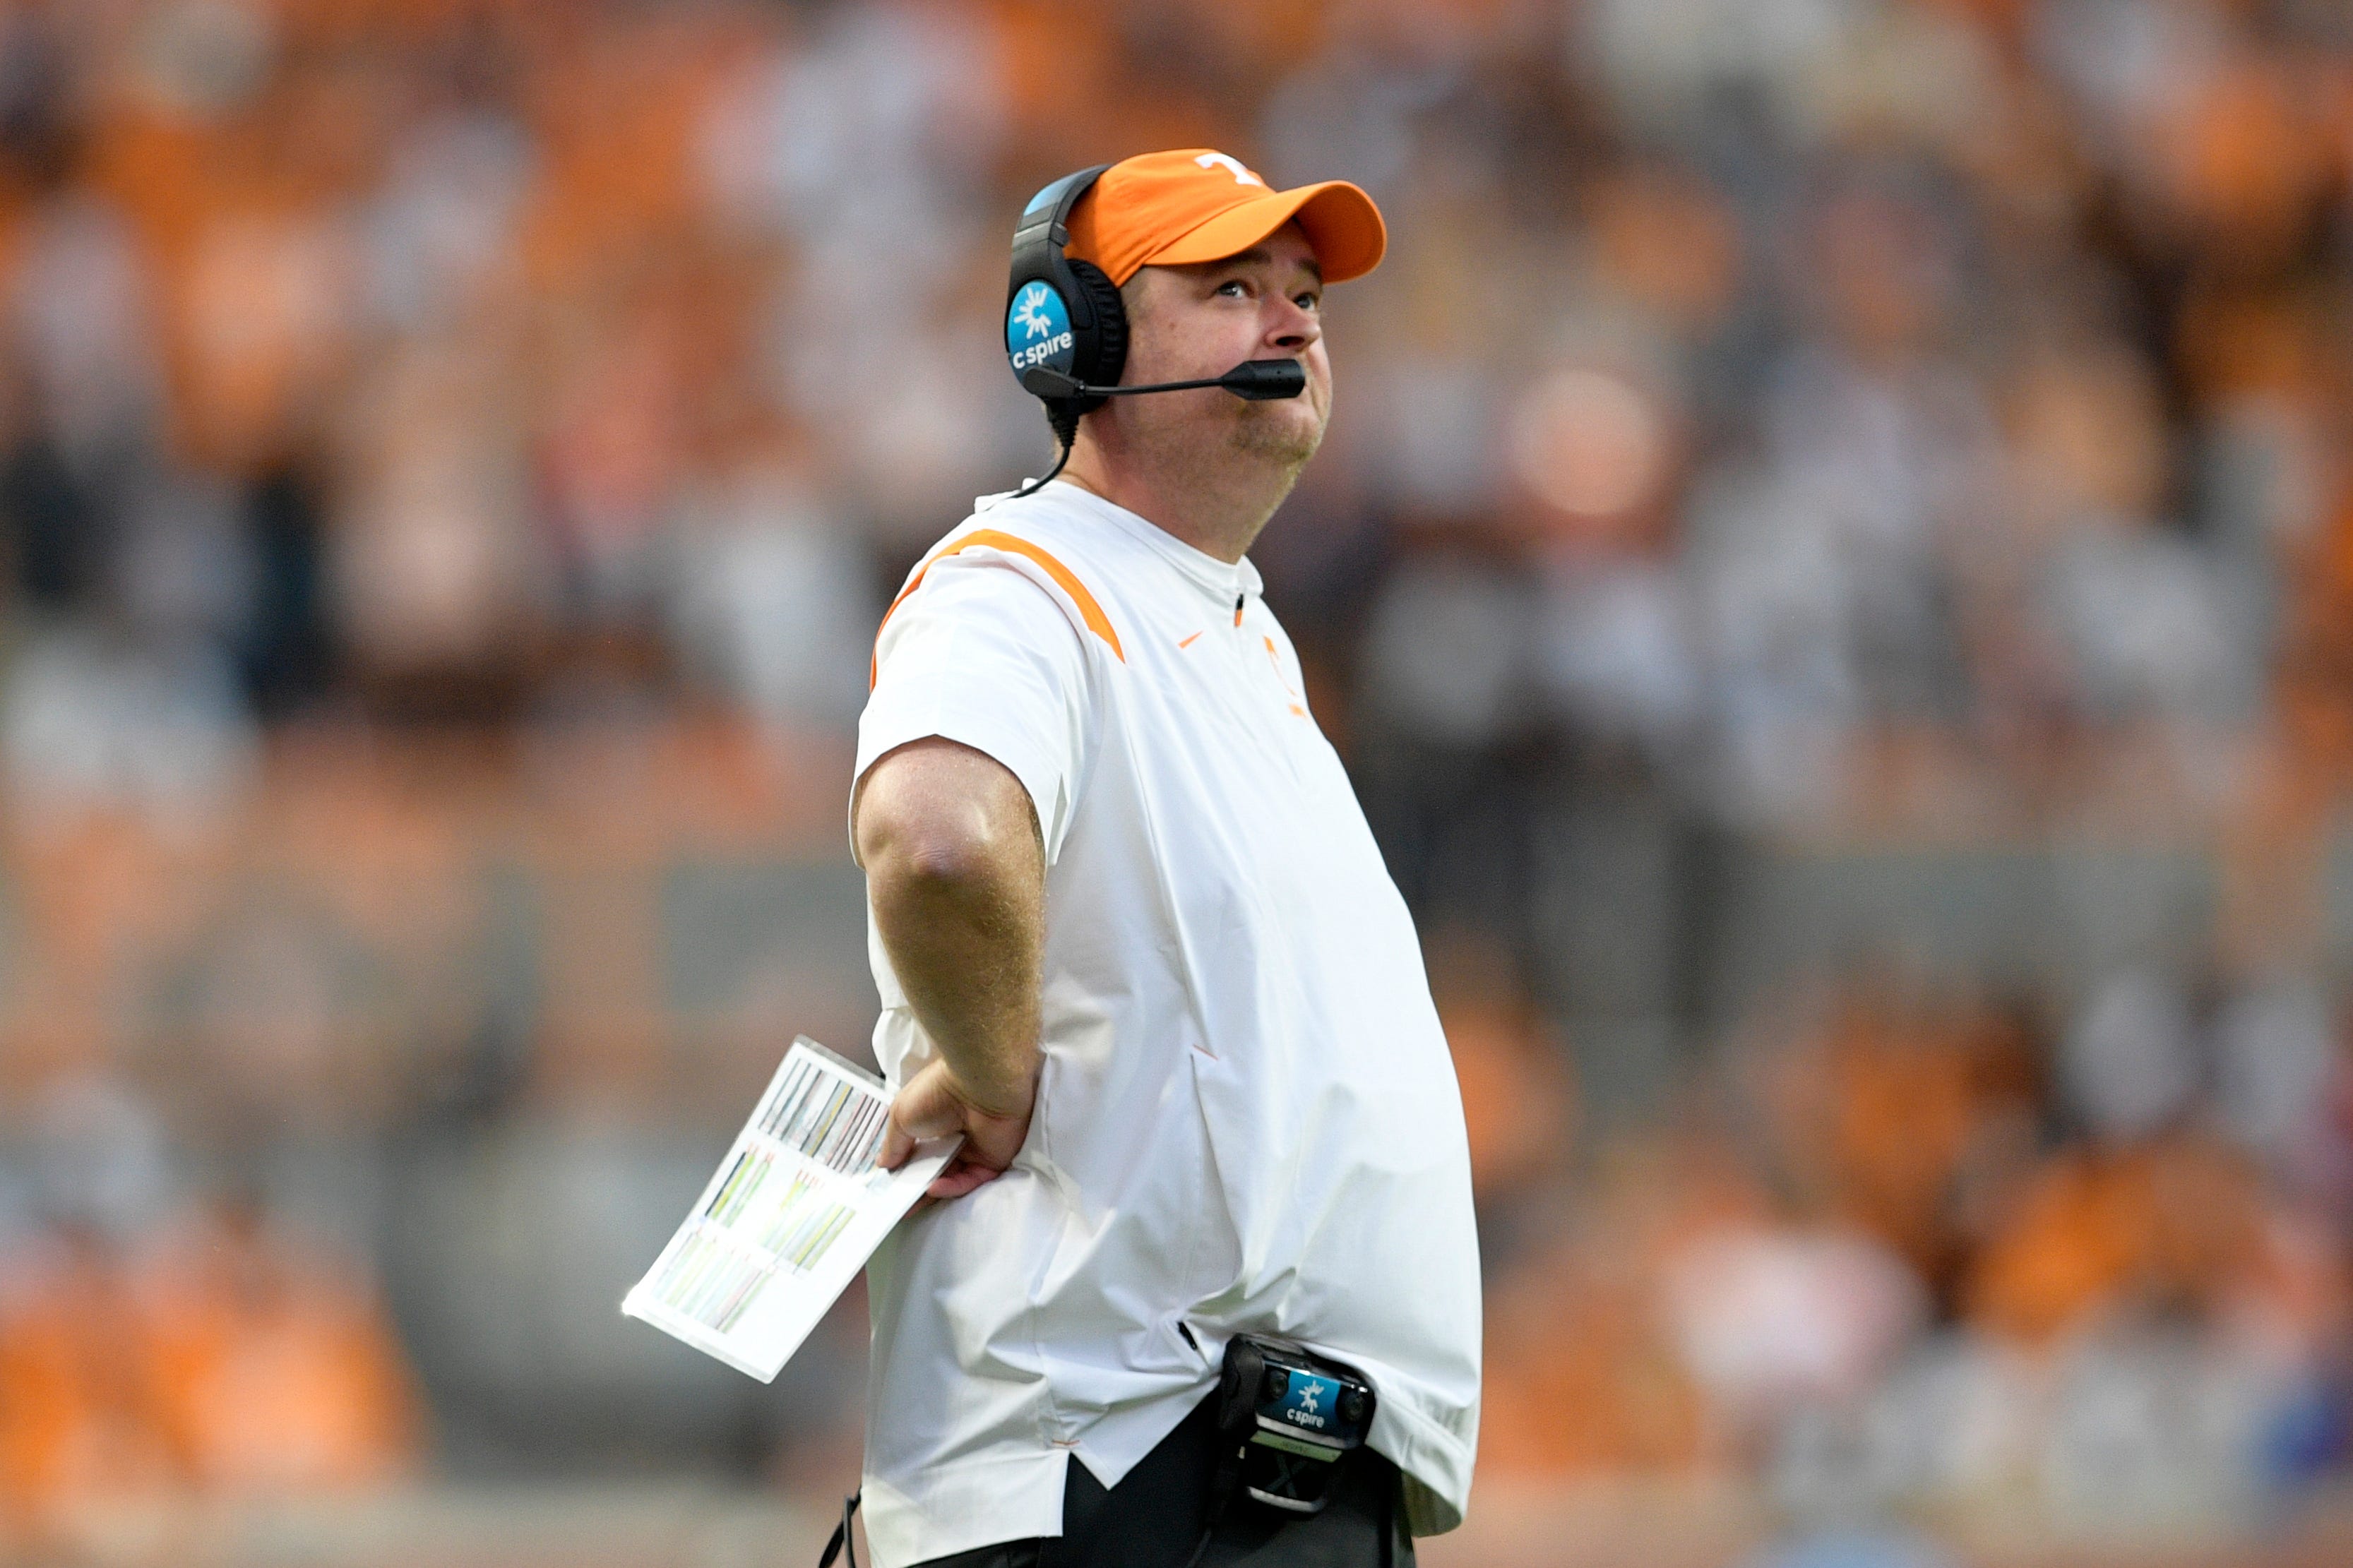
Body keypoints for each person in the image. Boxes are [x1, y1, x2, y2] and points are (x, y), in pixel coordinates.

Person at [850, 149, 1481, 1568]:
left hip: (1244, 1475)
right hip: (1119, 1473)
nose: (1296, 321)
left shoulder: (1231, 631)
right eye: (1231, 286)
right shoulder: (1019, 578)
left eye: (1306, 292)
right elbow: (938, 838)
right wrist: (997, 1076)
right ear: (1075, 333)